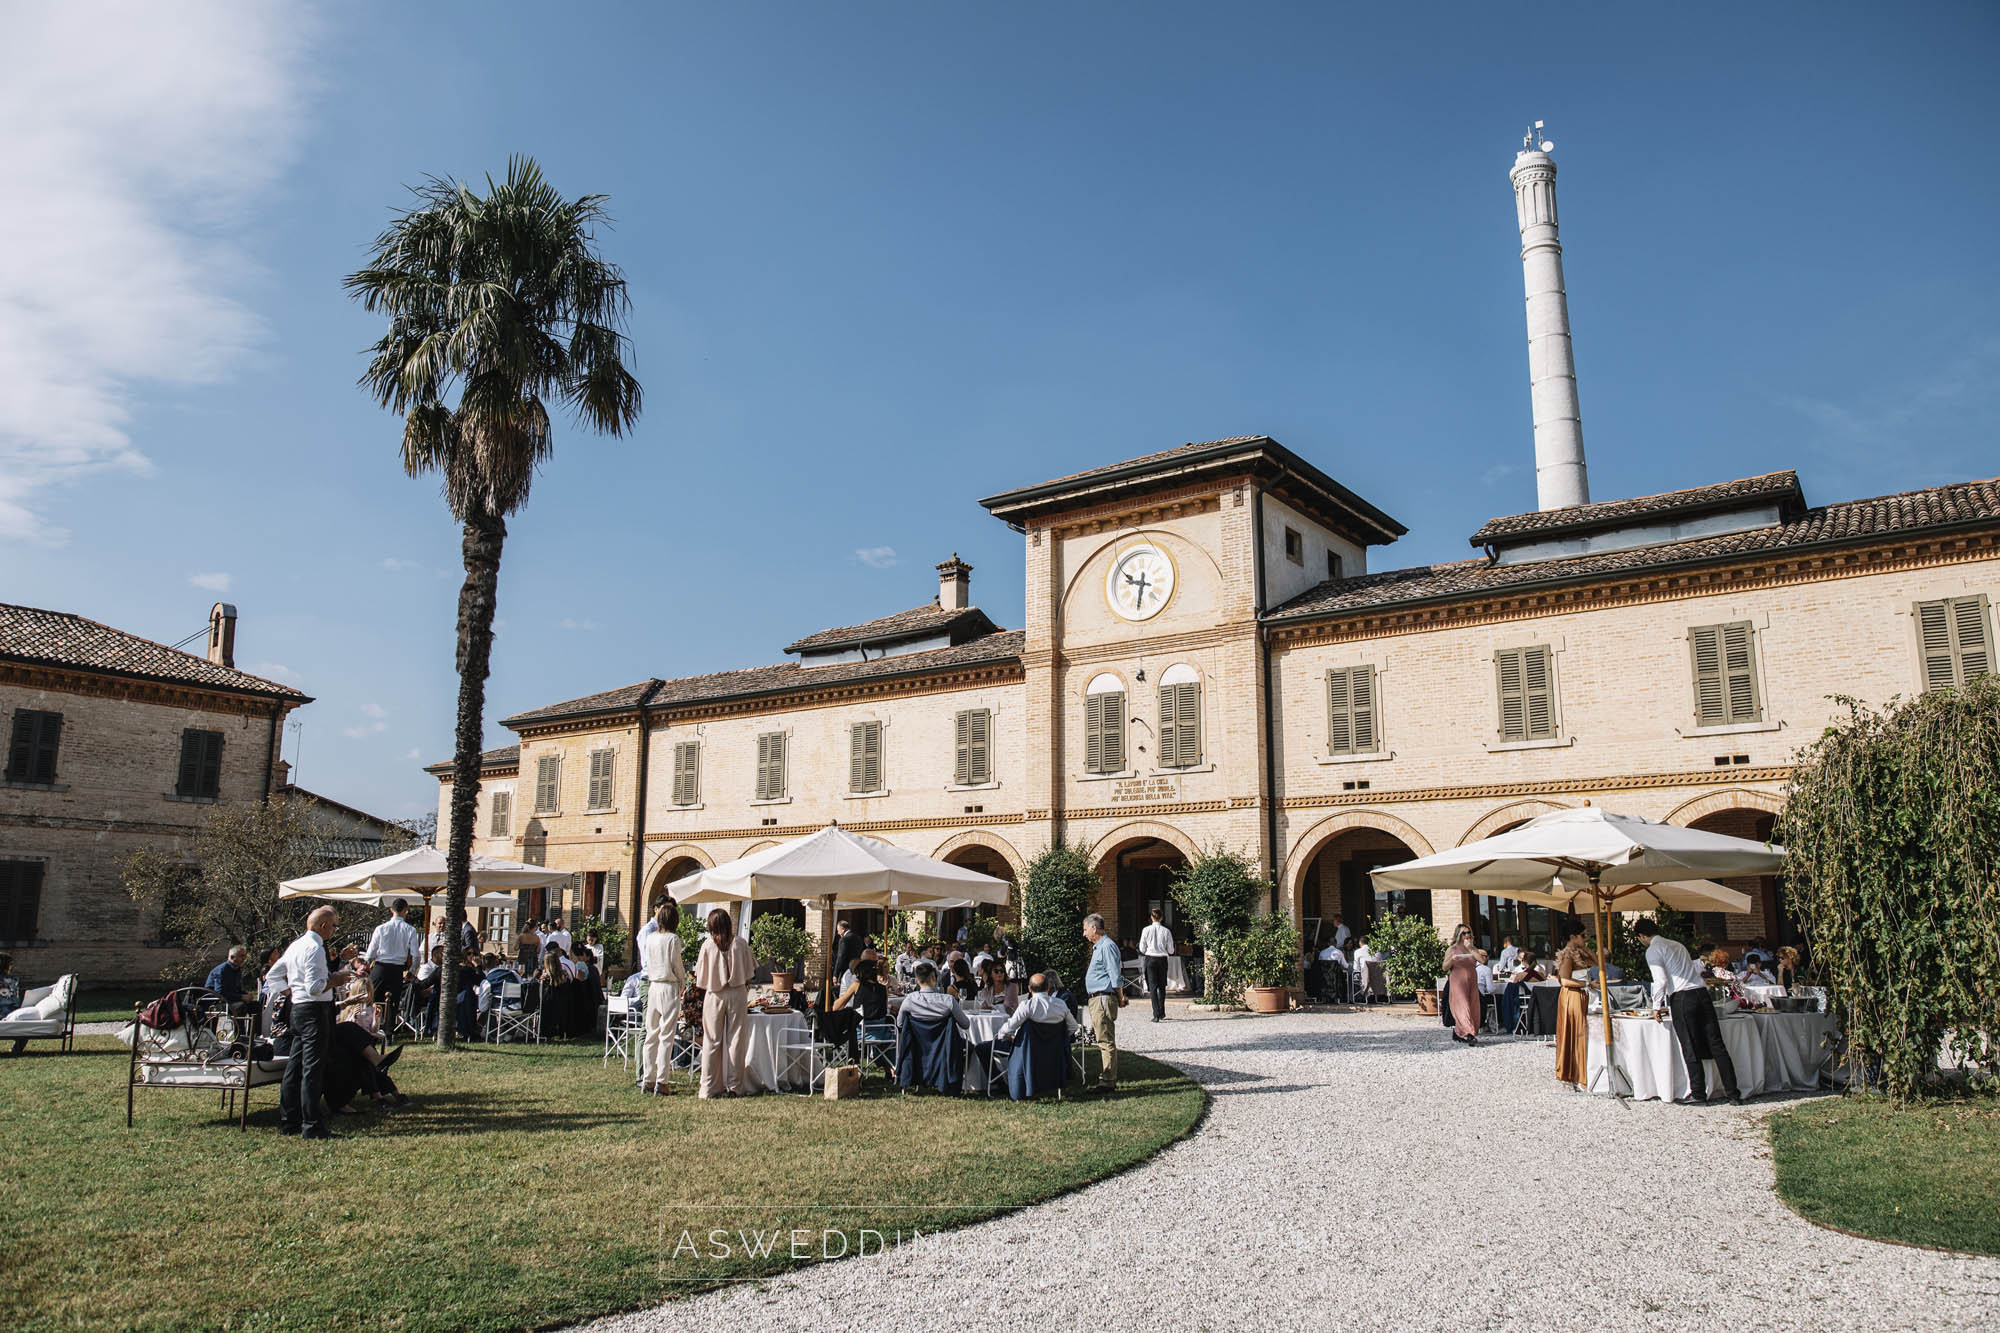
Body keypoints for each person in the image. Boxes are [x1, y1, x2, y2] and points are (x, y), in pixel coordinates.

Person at [1637, 919, 1742, 1105]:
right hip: (1701, 993)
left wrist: (1656, 1006)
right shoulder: (1677, 944)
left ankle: (1698, 1093)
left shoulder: (1653, 950)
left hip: (1682, 997)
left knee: (1690, 1046)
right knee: (1717, 1045)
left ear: (1642, 936)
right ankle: (1733, 1094)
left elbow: (1660, 980)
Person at [279, 906, 350, 1140]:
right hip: (314, 1010)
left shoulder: (295, 945)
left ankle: (289, 1119)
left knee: (295, 1067)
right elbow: (315, 987)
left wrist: (291, 992)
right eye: (334, 926)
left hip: (298, 1008)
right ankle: (311, 1124)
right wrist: (335, 980)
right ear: (323, 926)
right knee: (312, 1069)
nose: (334, 930)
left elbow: (274, 975)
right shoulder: (315, 948)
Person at [694, 909, 753, 1097]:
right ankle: (735, 1087)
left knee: (711, 1041)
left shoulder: (707, 946)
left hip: (715, 994)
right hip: (737, 993)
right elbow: (749, 972)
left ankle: (709, 1087)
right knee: (736, 1040)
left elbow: (700, 978)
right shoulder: (740, 943)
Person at [638, 900, 685, 1095]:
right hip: (668, 986)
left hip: (653, 985)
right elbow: (677, 966)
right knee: (666, 1036)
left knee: (651, 1035)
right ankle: (661, 1081)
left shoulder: (650, 938)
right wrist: (682, 984)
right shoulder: (673, 939)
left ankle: (648, 1079)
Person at [363, 899, 422, 1035]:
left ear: (391, 910)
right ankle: (388, 1031)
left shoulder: (381, 928)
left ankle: (371, 1028)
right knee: (393, 1001)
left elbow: (370, 952)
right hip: (397, 969)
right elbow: (416, 955)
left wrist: (366, 966)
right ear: (405, 910)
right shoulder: (410, 929)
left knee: (375, 999)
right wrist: (412, 971)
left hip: (380, 967)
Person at [1081, 913, 1123, 1093]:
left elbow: (1115, 975)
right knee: (1102, 1038)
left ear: (1094, 928)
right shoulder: (1100, 947)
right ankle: (1107, 1078)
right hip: (1098, 998)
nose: (1084, 934)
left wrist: (1120, 997)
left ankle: (1107, 1081)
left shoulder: (1107, 946)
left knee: (1105, 1039)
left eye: (1085, 929)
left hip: (1102, 997)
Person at [1553, 927, 1596, 1090]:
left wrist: (1586, 948)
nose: (1585, 938)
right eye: (1583, 935)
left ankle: (1581, 1072)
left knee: (1581, 1031)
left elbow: (1599, 963)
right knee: (1577, 1031)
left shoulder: (1579, 952)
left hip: (1581, 994)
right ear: (1573, 936)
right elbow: (1564, 980)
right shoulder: (1568, 955)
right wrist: (1587, 983)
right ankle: (1574, 1073)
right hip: (1572, 995)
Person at [998, 972, 1081, 1042]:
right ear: (1048, 988)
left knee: (992, 1046)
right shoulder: (1060, 1004)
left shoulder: (1027, 1006)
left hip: (1031, 1051)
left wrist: (1000, 1035)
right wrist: (1057, 1039)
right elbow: (1073, 1027)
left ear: (1029, 989)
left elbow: (1008, 1029)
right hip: (1055, 1051)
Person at [1444, 925, 1485, 1045]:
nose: (1467, 935)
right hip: (1458, 981)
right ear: (1458, 935)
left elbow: (1482, 961)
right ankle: (1469, 1033)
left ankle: (1458, 1032)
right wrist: (1452, 960)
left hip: (1472, 980)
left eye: (1468, 932)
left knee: (1473, 1007)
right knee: (1463, 1006)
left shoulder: (1472, 948)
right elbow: (1444, 967)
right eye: (1464, 933)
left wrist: (1471, 948)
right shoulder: (1452, 949)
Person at [1138, 908, 1174, 1024]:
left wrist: (1147, 950)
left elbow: (1142, 948)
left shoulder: (1145, 930)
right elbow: (1171, 950)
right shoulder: (1166, 931)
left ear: (1151, 917)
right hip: (1162, 958)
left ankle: (1156, 1014)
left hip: (1150, 957)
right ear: (1162, 918)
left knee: (1153, 987)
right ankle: (1162, 1011)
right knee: (1162, 985)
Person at [1498, 948, 1545, 1032]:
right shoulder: (1541, 974)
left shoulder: (1520, 975)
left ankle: (1512, 1024)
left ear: (1524, 961)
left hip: (1525, 1001)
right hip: (1540, 1000)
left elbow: (1513, 988)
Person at [204, 946, 249, 1010]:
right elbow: (220, 993)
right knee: (241, 1006)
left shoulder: (237, 970)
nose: (244, 958)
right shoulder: (222, 970)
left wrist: (246, 995)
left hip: (231, 1001)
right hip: (215, 1003)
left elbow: (236, 990)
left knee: (255, 1005)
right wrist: (241, 997)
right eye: (241, 956)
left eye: (244, 956)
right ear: (232, 957)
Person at [830, 919, 864, 985]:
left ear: (843, 929)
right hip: (857, 970)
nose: (838, 933)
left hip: (845, 971)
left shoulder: (843, 940)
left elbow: (840, 957)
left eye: (838, 930)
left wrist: (835, 974)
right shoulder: (858, 938)